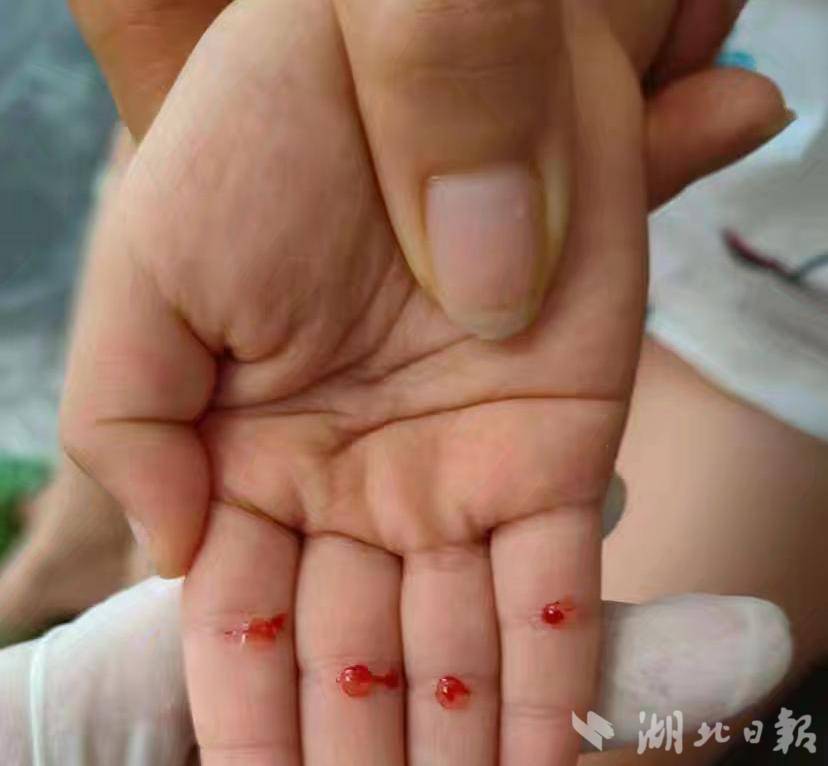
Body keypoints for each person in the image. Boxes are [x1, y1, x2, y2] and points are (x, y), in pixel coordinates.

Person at [5, 0, 808, 764]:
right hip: (322, 146)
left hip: (783, 290)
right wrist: (561, 52)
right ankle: (75, 549)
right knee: (180, 526)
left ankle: (89, 553)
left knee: (523, 707)